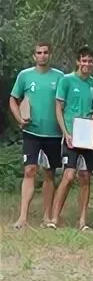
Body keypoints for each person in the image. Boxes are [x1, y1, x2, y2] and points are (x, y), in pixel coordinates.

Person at [9, 42, 65, 229]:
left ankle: (47, 216)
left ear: (50, 54)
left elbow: (66, 103)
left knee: (49, 173)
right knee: (29, 170)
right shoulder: (25, 76)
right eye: (39, 53)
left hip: (53, 133)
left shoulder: (59, 77)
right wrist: (19, 118)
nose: (42, 55)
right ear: (34, 56)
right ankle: (22, 217)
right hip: (31, 131)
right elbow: (13, 99)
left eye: (45, 52)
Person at [49, 46, 93, 230]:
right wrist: (65, 133)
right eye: (83, 61)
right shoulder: (67, 80)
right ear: (78, 62)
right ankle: (54, 219)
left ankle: (82, 221)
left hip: (88, 136)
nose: (87, 64)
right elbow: (58, 108)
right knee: (69, 176)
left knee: (85, 176)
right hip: (71, 134)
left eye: (90, 61)